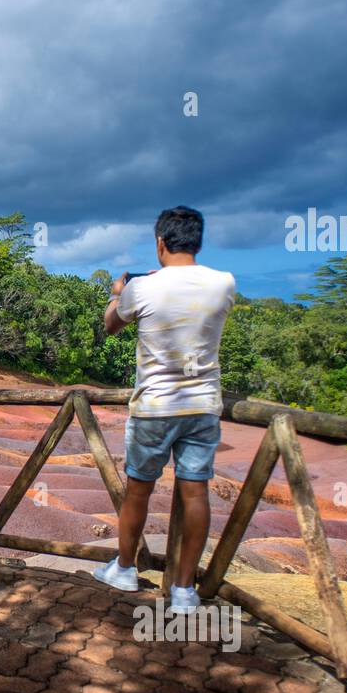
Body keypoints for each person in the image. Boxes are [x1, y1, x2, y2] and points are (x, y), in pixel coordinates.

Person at [98, 206, 236, 614]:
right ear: (198, 241)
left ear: (160, 242)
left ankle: (124, 568)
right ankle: (183, 589)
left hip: (155, 406)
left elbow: (110, 325)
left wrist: (118, 294)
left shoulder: (143, 289)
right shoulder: (224, 283)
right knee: (195, 491)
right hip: (203, 405)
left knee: (138, 488)